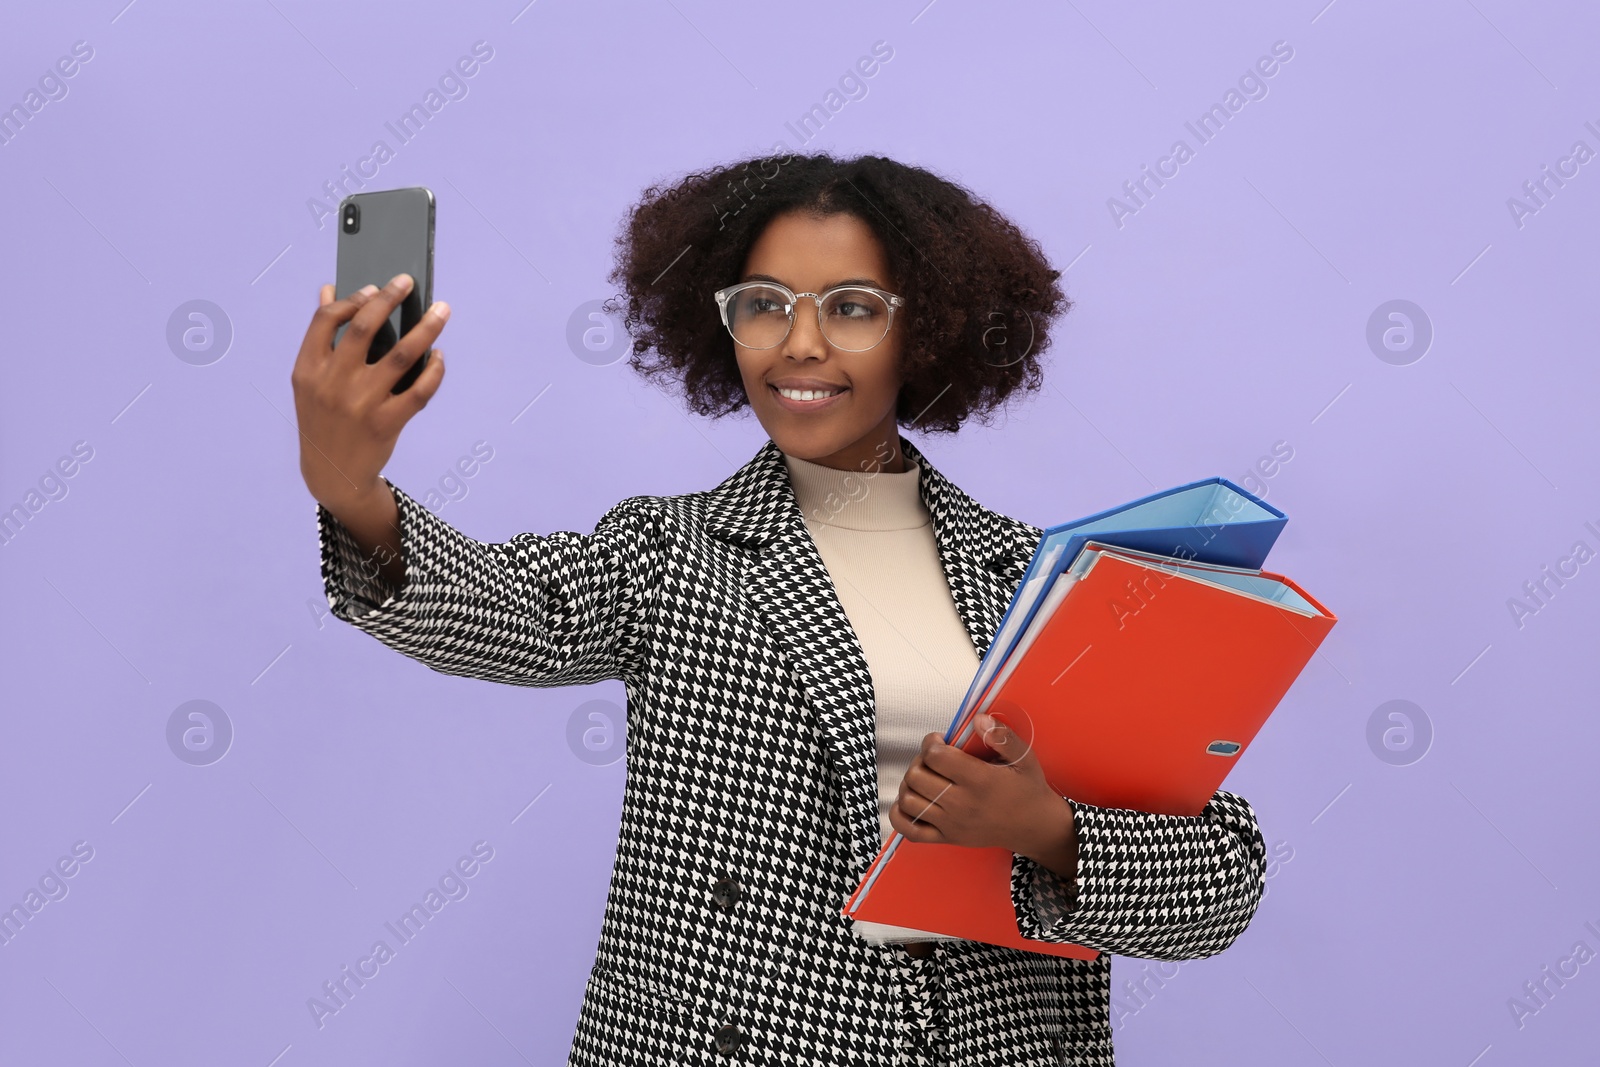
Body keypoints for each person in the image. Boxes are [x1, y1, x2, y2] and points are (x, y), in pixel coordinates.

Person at [291, 151, 1267, 1066]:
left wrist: (1047, 826)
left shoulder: (1036, 579)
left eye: (850, 307)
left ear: (925, 326)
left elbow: (1218, 884)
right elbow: (515, 609)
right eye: (763, 304)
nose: (799, 343)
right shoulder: (671, 549)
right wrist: (354, 493)